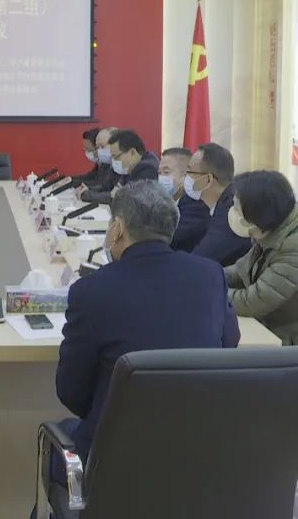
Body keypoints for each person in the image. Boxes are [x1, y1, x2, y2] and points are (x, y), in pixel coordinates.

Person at [54, 181, 240, 470]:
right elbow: (228, 345)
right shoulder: (209, 275)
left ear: (117, 228)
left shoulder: (91, 291)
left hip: (115, 457)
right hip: (197, 449)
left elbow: (71, 389)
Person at [225, 171, 298, 400]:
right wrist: (204, 276)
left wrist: (207, 291)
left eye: (238, 208)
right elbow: (239, 272)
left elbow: (251, 302)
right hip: (279, 342)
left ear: (259, 212)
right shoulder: (273, 231)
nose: (234, 213)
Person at [186, 143, 252, 266]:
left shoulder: (232, 211)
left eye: (189, 172)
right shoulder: (223, 201)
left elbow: (199, 260)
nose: (186, 177)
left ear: (208, 180)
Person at [159, 147, 210, 252]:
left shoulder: (195, 204)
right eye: (159, 173)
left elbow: (169, 236)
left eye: (166, 172)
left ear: (186, 175)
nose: (161, 178)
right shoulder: (164, 201)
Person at [79, 127, 120, 204]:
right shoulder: (112, 165)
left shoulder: (127, 168)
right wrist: (87, 190)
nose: (98, 151)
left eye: (102, 147)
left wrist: (87, 194)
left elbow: (116, 197)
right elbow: (105, 187)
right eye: (98, 147)